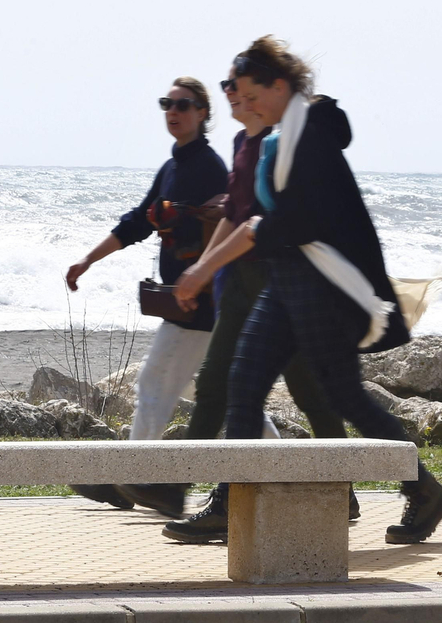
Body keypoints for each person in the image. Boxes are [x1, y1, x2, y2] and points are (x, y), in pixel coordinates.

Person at [165, 37, 442, 546]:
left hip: (324, 288)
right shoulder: (282, 134)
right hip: (286, 282)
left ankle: (424, 490)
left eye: (251, 93)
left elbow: (294, 219)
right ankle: (230, 501)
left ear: (279, 85)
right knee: (243, 384)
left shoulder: (312, 133)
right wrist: (208, 267)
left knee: (343, 396)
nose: (244, 102)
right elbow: (259, 216)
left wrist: (215, 261)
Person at [161, 68, 356, 542]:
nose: (230, 92)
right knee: (285, 393)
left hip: (282, 285)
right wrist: (205, 269)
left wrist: (203, 269)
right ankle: (349, 490)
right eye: (227, 85)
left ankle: (224, 501)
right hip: (252, 285)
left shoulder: (282, 143)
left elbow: (256, 222)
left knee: (245, 389)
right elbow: (236, 215)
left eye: (239, 86)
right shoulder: (245, 144)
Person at [64, 76, 226, 517]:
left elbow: (225, 233)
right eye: (167, 104)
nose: (174, 111)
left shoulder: (210, 168)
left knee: (154, 385)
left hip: (201, 306)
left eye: (184, 104)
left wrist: (204, 281)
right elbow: (138, 222)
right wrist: (88, 260)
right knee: (228, 401)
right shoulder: (173, 167)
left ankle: (137, 478)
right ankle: (301, 472)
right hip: (184, 302)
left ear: (203, 113)